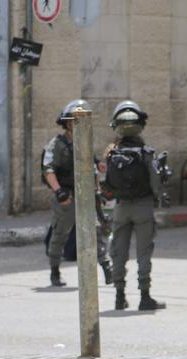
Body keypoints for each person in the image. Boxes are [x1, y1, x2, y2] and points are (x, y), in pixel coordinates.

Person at [103, 100, 166, 311]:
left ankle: (119, 296)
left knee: (118, 252)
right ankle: (144, 297)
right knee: (143, 253)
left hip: (121, 207)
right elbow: (156, 183)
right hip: (143, 207)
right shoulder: (146, 152)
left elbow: (106, 184)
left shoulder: (112, 153)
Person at [42, 99, 112, 287]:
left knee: (96, 231)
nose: (77, 125)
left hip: (87, 195)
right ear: (66, 123)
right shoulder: (57, 144)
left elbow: (94, 168)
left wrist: (100, 191)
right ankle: (55, 271)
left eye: (81, 121)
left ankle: (106, 267)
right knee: (60, 234)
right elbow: (48, 169)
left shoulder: (85, 143)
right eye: (74, 121)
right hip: (67, 195)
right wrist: (59, 192)